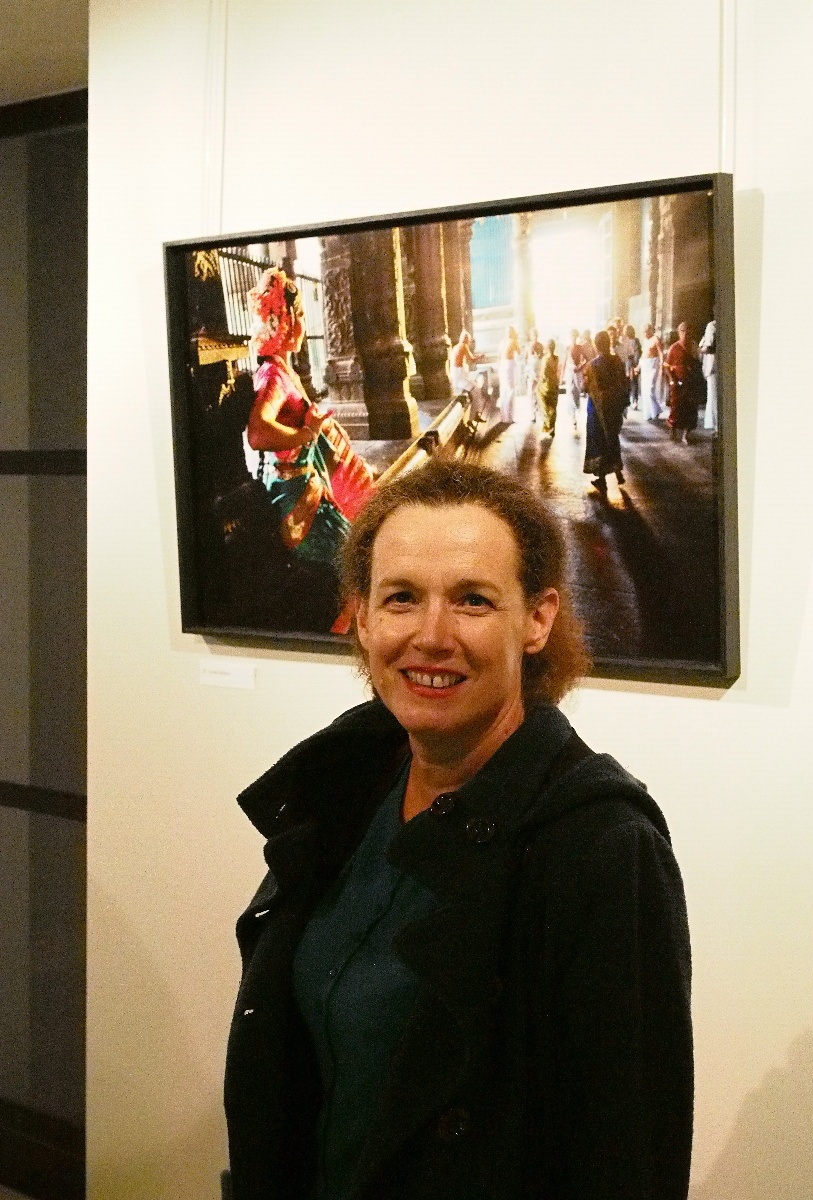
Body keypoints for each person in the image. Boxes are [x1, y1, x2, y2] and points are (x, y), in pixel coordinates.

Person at [224, 458, 693, 1200]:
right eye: (402, 598)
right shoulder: (343, 790)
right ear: (364, 617)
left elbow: (625, 1158)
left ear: (537, 619)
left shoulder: (600, 848)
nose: (431, 636)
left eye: (472, 600)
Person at [246, 267, 374, 571]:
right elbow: (257, 433)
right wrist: (307, 434)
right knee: (359, 560)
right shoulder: (273, 375)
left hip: (314, 483)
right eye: (301, 315)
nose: (303, 324)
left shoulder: (283, 369)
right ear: (287, 321)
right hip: (302, 502)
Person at [583, 330, 630, 497]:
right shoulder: (617, 361)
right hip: (614, 408)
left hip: (597, 410)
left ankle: (601, 479)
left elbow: (587, 387)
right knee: (612, 438)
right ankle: (618, 472)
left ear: (596, 345)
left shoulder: (592, 366)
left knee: (599, 441)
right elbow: (623, 382)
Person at [663, 321, 702, 443]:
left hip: (691, 383)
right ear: (679, 333)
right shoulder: (674, 348)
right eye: (682, 331)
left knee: (691, 409)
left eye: (687, 331)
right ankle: (673, 430)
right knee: (676, 408)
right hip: (677, 383)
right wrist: (671, 380)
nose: (685, 334)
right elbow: (666, 366)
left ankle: (687, 434)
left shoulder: (694, 347)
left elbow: (698, 362)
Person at [638, 322, 665, 420]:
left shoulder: (656, 339)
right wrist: (638, 366)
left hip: (653, 364)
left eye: (645, 331)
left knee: (650, 389)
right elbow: (643, 354)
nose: (644, 334)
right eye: (643, 332)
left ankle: (656, 411)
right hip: (645, 365)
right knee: (645, 390)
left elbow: (661, 353)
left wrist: (662, 366)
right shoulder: (645, 340)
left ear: (650, 330)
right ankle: (650, 413)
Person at [536, 337, 560, 437]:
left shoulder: (545, 359)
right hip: (554, 384)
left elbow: (543, 374)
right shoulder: (557, 358)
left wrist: (538, 383)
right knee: (553, 407)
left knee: (544, 405)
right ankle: (552, 427)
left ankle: (548, 424)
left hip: (546, 385)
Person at [496, 325, 520, 422]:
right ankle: (509, 418)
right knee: (511, 390)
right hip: (509, 365)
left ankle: (504, 417)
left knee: (504, 390)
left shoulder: (502, 342)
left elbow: (498, 356)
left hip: (502, 365)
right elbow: (519, 352)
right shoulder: (513, 342)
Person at [699, 319, 717, 431]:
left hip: (713, 366)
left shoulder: (712, 325)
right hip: (716, 366)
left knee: (713, 396)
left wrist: (699, 349)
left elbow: (709, 347)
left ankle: (715, 425)